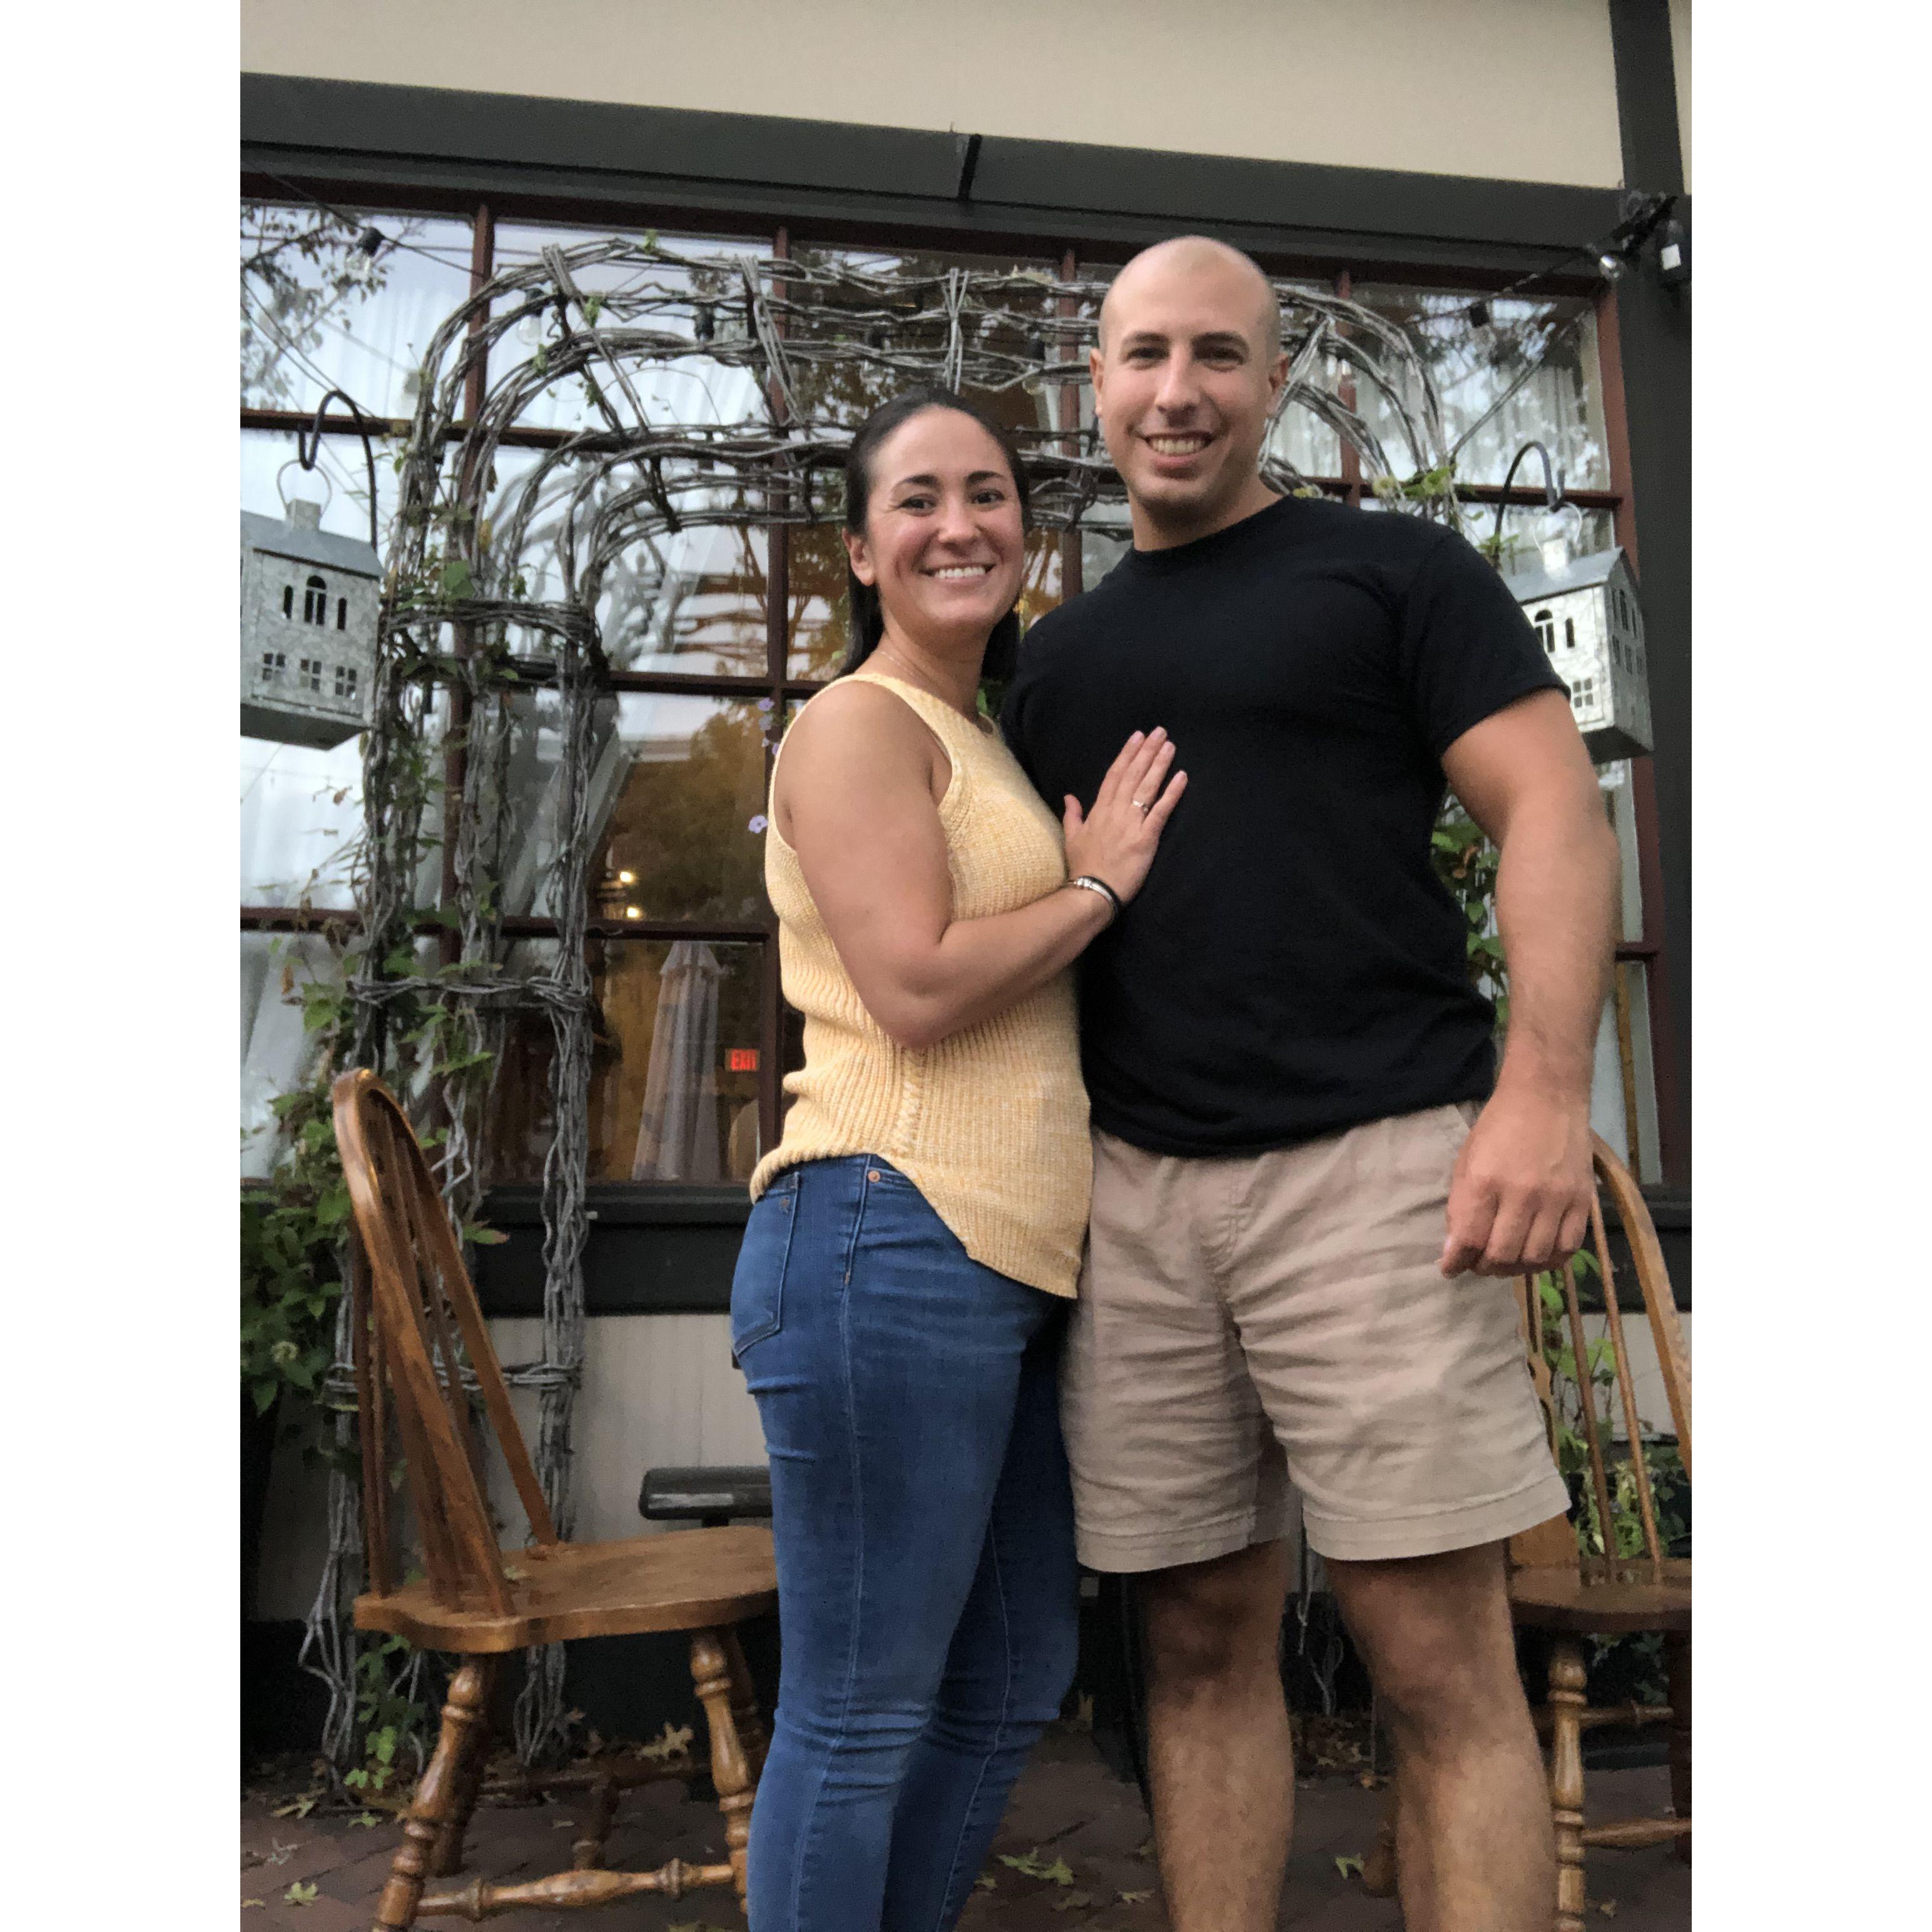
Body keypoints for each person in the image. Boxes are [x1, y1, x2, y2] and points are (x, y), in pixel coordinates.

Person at [1000, 237, 1622, 1932]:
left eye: (1217, 354)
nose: (1177, 390)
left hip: (1378, 1174)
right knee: (1196, 1645)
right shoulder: (1051, 663)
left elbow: (1553, 811)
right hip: (1137, 1198)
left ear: (1274, 383)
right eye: (1143, 354)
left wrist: (1541, 1092)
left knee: (1435, 1659)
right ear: (1094, 384)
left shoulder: (1394, 573)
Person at [730, 385, 1184, 1932]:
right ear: (860, 551)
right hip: (885, 1230)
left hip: (994, 1262)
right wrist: (1097, 888)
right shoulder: (858, 723)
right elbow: (915, 985)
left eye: (985, 492)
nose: (957, 523)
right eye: (915, 499)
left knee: (1006, 1676)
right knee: (858, 1707)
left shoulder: (973, 735)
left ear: (1023, 532)